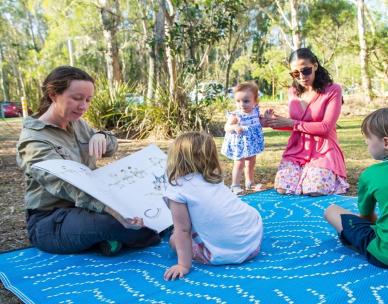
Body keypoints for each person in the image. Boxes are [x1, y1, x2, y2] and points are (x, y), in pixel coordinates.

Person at [17, 66, 159, 256]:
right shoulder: (33, 140)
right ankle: (135, 235)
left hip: (90, 208)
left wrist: (101, 136)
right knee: (121, 222)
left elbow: (111, 147)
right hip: (52, 220)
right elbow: (63, 185)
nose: (83, 106)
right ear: (52, 95)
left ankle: (109, 239)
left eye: (88, 100)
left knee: (151, 204)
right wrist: (109, 209)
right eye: (77, 98)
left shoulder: (78, 123)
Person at [163, 132, 263, 280]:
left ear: (175, 158)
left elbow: (183, 230)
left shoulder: (177, 188)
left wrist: (183, 265)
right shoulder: (212, 176)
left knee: (174, 239)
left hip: (223, 254)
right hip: (252, 241)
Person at [265, 48, 349, 196]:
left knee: (314, 190)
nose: (301, 76)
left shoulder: (333, 90)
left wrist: (291, 123)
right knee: (282, 189)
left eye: (305, 70)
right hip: (297, 148)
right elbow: (293, 124)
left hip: (323, 149)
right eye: (295, 73)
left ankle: (323, 176)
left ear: (315, 65)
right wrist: (271, 121)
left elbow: (325, 127)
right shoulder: (293, 91)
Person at [324, 108, 388, 268]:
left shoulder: (371, 174)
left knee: (331, 211)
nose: (366, 142)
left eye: (368, 138)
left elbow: (366, 216)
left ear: (386, 142)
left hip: (383, 253)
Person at [221, 82, 265, 194]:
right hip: (240, 144)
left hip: (251, 143)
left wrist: (267, 117)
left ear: (255, 101)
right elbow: (226, 127)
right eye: (238, 101)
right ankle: (235, 185)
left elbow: (259, 122)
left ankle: (250, 183)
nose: (242, 104)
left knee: (251, 162)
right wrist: (234, 126)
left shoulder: (255, 112)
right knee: (239, 163)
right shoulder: (236, 115)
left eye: (246, 101)